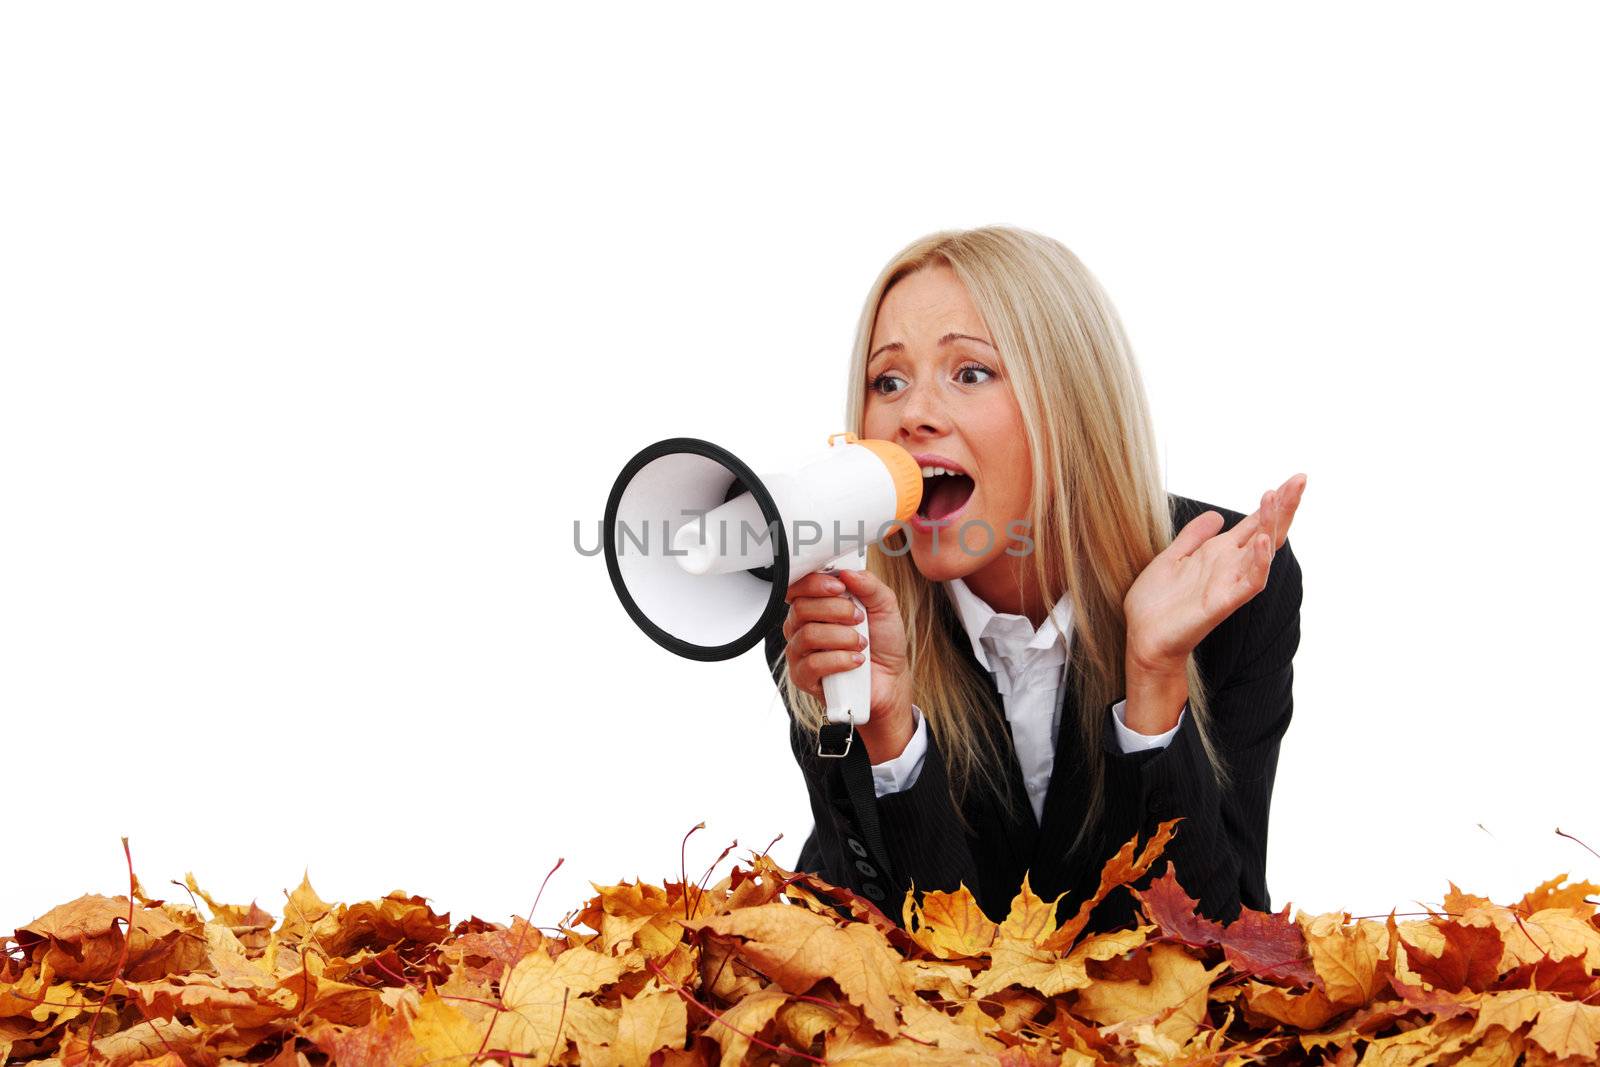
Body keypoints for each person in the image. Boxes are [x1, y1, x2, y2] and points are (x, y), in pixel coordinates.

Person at [763, 225, 1306, 936]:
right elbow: (895, 971)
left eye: (969, 372)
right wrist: (891, 733)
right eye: (887, 381)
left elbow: (1222, 950)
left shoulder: (1228, 586)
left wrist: (1155, 681)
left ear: (1069, 400)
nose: (911, 414)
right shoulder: (823, 611)